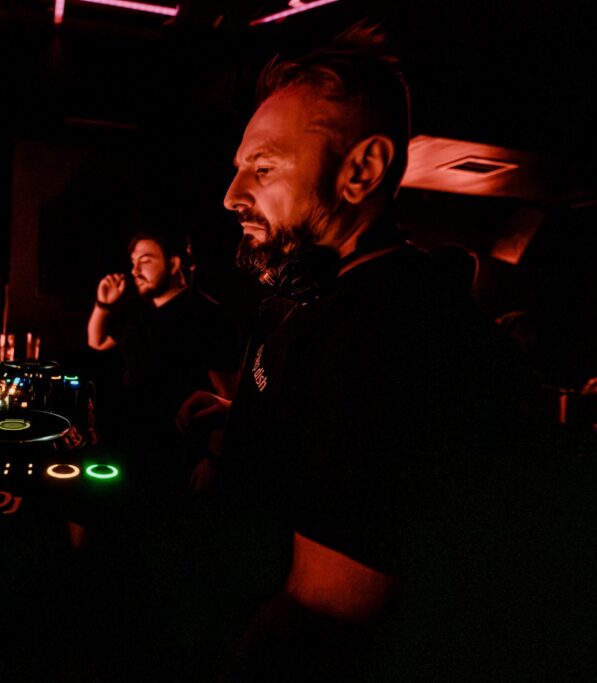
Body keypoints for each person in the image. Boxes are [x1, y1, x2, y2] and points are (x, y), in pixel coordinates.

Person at [176, 23, 560, 680]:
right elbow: (317, 439)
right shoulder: (310, 295)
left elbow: (322, 620)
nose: (231, 195)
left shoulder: (390, 338)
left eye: (263, 167)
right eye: (240, 168)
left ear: (361, 171)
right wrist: (236, 426)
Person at [87, 231, 241, 490]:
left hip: (176, 456)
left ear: (174, 263)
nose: (135, 270)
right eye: (133, 262)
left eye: (145, 260)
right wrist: (103, 304)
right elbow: (97, 341)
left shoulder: (208, 315)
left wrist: (213, 460)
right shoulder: (139, 309)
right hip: (129, 445)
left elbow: (227, 396)